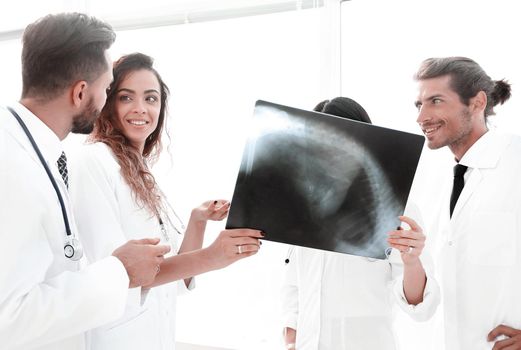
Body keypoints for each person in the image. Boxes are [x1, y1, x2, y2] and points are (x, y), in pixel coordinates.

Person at [0, 13, 172, 350]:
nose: (108, 100)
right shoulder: (13, 164)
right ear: (81, 92)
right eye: (109, 89)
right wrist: (120, 271)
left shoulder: (36, 152)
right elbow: (9, 317)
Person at [69, 52, 263, 350]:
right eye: (125, 97)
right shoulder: (94, 160)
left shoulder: (142, 171)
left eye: (151, 99)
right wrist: (214, 256)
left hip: (156, 337)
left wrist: (197, 220)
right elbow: (120, 274)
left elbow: (173, 274)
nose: (140, 109)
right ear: (107, 104)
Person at [280, 97, 440, 350]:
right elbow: (294, 288)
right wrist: (291, 341)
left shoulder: (400, 211)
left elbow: (421, 309)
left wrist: (411, 261)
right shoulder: (303, 210)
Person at [413, 57, 521, 349]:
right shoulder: (432, 183)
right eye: (419, 105)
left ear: (477, 103)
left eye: (435, 101)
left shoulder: (517, 161)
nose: (422, 117)